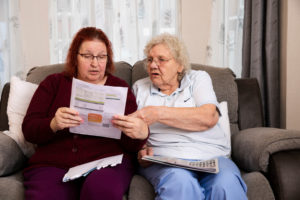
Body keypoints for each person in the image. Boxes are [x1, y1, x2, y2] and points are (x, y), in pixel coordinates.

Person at [22, 27, 148, 200]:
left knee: (101, 191)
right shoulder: (53, 83)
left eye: (101, 57)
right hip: (54, 163)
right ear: (75, 56)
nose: (95, 63)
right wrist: (52, 124)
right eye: (87, 56)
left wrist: (140, 134)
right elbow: (29, 130)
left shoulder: (120, 88)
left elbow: (132, 146)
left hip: (107, 162)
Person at [131, 33, 248, 200]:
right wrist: (141, 150)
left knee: (226, 184)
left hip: (211, 155)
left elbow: (209, 117)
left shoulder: (198, 78)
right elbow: (134, 132)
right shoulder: (140, 88)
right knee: (180, 183)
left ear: (179, 65)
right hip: (164, 157)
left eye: (161, 59)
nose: (153, 65)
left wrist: (156, 113)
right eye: (150, 60)